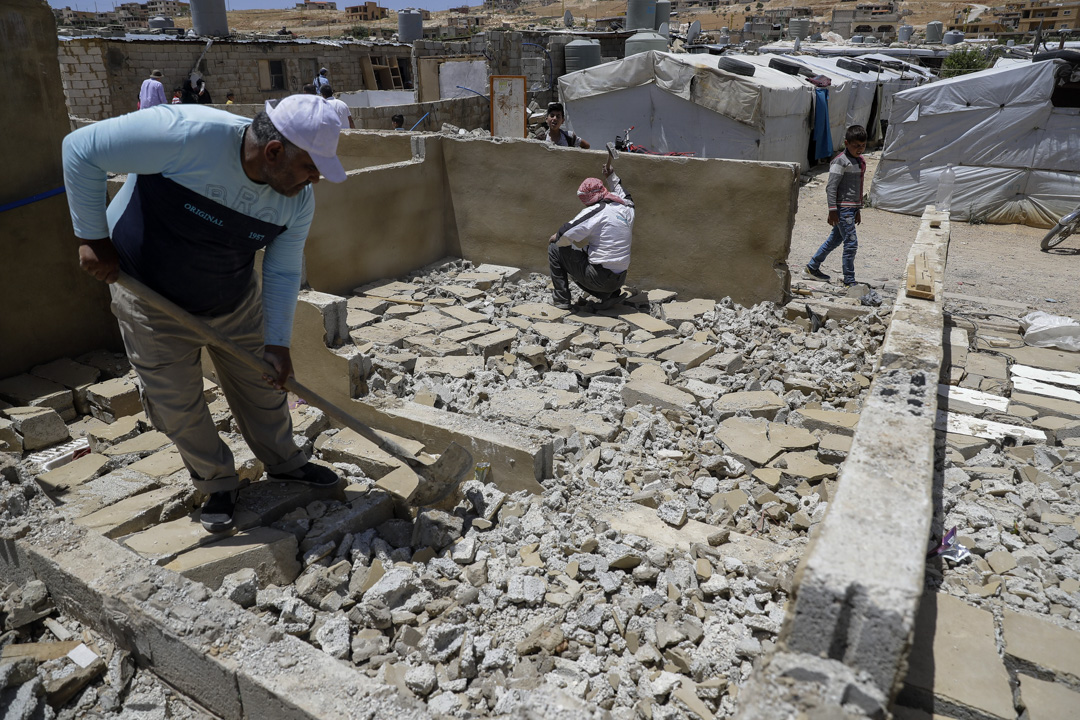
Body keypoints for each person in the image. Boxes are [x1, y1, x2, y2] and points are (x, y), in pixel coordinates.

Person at [61, 95, 348, 533]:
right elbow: (80, 148)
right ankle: (216, 482)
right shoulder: (183, 134)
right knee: (176, 405)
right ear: (274, 152)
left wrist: (278, 341)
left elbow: (284, 267)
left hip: (234, 300)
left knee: (265, 387)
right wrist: (92, 236)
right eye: (311, 167)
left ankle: (285, 461)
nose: (315, 180)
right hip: (149, 300)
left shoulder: (296, 200)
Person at [548, 161, 634, 312]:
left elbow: (565, 233)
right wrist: (611, 176)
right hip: (619, 279)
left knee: (555, 248)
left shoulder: (597, 211)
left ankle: (561, 299)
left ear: (590, 199)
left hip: (598, 279)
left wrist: (557, 236)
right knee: (585, 253)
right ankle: (609, 296)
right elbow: (623, 192)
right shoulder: (626, 208)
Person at [805, 125, 867, 287]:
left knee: (834, 240)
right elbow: (831, 187)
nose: (859, 149)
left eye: (862, 146)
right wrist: (832, 210)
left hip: (851, 209)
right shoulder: (840, 161)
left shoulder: (859, 161)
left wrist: (858, 209)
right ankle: (849, 280)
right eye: (856, 146)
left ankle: (812, 267)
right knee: (851, 243)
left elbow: (857, 188)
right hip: (843, 209)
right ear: (846, 143)